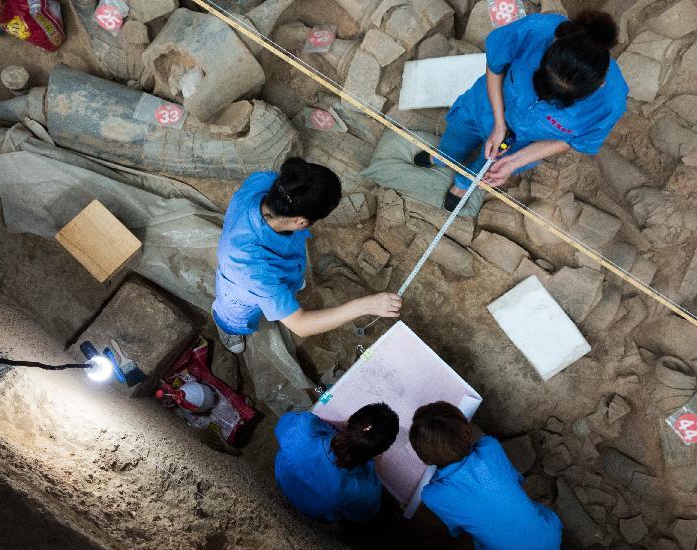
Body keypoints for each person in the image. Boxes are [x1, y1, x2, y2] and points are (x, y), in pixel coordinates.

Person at [417, 10, 627, 213]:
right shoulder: (537, 30)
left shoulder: (610, 104)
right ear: (551, 48)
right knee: (458, 132)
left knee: (489, 165)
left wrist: (515, 162)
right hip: (483, 106)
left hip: (522, 144)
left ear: (599, 86)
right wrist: (499, 123)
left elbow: (571, 140)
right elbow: (495, 66)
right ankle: (445, 156)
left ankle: (463, 183)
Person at [212, 157, 402, 353]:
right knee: (236, 318)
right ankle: (227, 328)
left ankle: (290, 284)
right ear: (300, 223)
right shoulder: (254, 269)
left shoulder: (267, 183)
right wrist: (365, 306)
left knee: (285, 284)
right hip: (237, 300)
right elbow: (301, 325)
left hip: (266, 267)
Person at [409, 402, 562, 550]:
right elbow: (517, 479)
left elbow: (456, 530)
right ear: (465, 430)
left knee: (481, 545)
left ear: (425, 459)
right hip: (551, 536)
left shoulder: (432, 495)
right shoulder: (489, 446)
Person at [274, 403, 399, 523]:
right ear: (378, 453)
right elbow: (363, 516)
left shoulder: (303, 428)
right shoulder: (366, 490)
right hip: (312, 510)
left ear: (349, 421)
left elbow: (281, 424)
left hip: (283, 479)